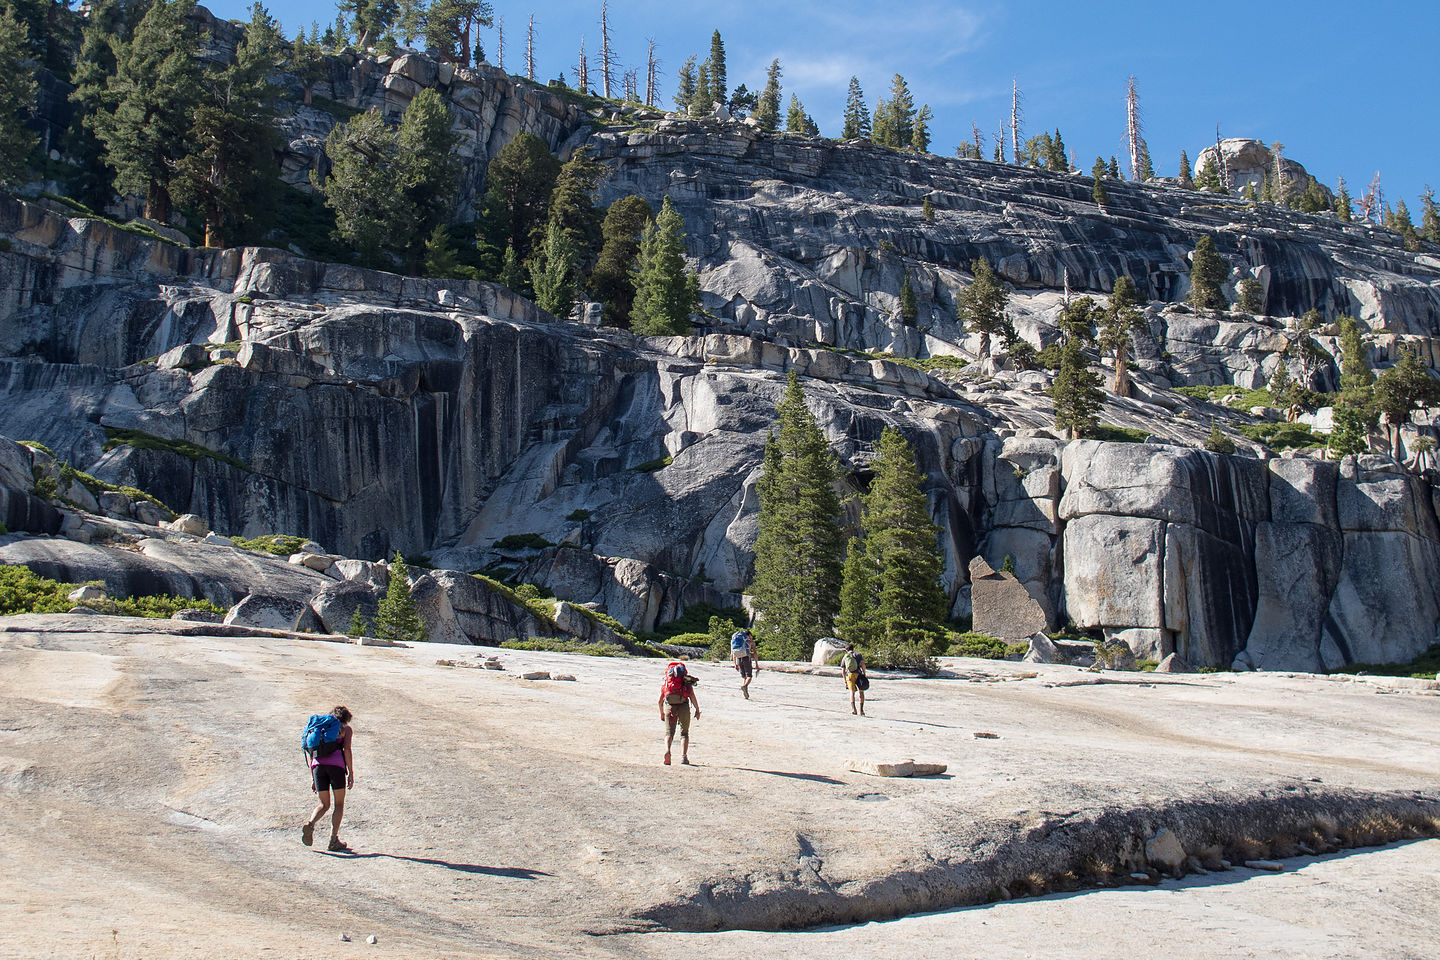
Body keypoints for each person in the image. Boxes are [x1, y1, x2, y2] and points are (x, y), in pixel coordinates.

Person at [302, 705, 354, 852]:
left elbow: (312, 753)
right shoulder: (345, 729)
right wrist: (350, 772)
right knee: (339, 804)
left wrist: (313, 778)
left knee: (323, 804)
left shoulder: (320, 729)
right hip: (336, 768)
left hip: (318, 768)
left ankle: (311, 824)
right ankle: (333, 840)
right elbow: (347, 749)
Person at [658, 661, 701, 765]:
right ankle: (684, 757)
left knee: (669, 733)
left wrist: (662, 713)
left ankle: (668, 751)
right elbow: (692, 696)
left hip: (670, 707)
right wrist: (697, 710)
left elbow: (660, 701)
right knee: (684, 733)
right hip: (684, 707)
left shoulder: (667, 684)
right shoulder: (686, 683)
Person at [730, 627, 759, 699]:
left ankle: (745, 691)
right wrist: (757, 664)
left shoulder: (738, 642)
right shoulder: (750, 642)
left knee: (744, 676)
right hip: (746, 657)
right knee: (749, 676)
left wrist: (735, 664)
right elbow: (755, 653)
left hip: (739, 658)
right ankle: (745, 686)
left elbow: (734, 653)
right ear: (748, 635)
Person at [840, 645, 866, 716]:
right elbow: (863, 665)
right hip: (859, 674)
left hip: (850, 675)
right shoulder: (858, 655)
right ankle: (861, 710)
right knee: (861, 692)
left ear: (846, 650)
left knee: (852, 692)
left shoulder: (845, 656)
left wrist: (845, 681)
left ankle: (854, 710)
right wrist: (864, 674)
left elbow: (843, 671)